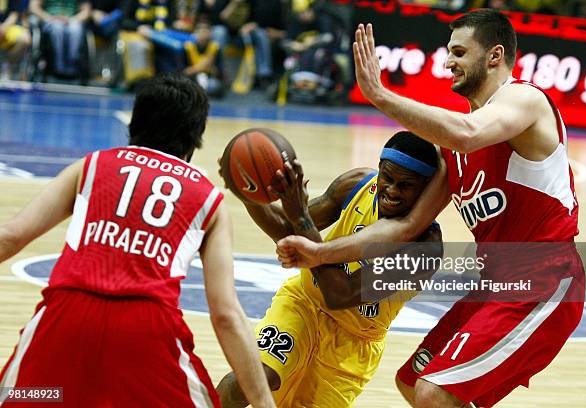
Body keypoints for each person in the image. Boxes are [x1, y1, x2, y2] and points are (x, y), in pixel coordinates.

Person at [277, 9, 585, 408]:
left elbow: (468, 132)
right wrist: (320, 252)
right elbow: (405, 227)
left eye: (459, 51)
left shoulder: (524, 99)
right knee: (413, 382)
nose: (447, 62)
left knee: (434, 393)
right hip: (496, 284)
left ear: (493, 56)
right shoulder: (452, 152)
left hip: (544, 280)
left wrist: (380, 95)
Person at [0, 73, 275, 408]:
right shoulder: (209, 199)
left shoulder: (93, 164)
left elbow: (10, 236)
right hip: (146, 330)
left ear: (134, 123)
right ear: (196, 138)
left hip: (66, 318)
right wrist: (264, 403)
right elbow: (226, 315)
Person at [217, 131, 443, 407]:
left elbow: (341, 293)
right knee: (247, 380)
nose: (392, 191)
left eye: (406, 185)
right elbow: (289, 233)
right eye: (388, 178)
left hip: (353, 341)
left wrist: (300, 216)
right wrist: (248, 193)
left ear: (426, 189)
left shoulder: (425, 250)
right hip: (303, 304)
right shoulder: (356, 185)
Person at [29, 0, 92, 78]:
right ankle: (58, 67)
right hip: (50, 19)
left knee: (75, 29)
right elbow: (34, 7)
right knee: (57, 28)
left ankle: (72, 67)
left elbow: (86, 11)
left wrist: (71, 19)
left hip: (71, 20)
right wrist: (49, 18)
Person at [0, 0, 31, 80]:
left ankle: (6, 65)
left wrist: (3, 27)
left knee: (25, 39)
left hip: (8, 27)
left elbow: (14, 15)